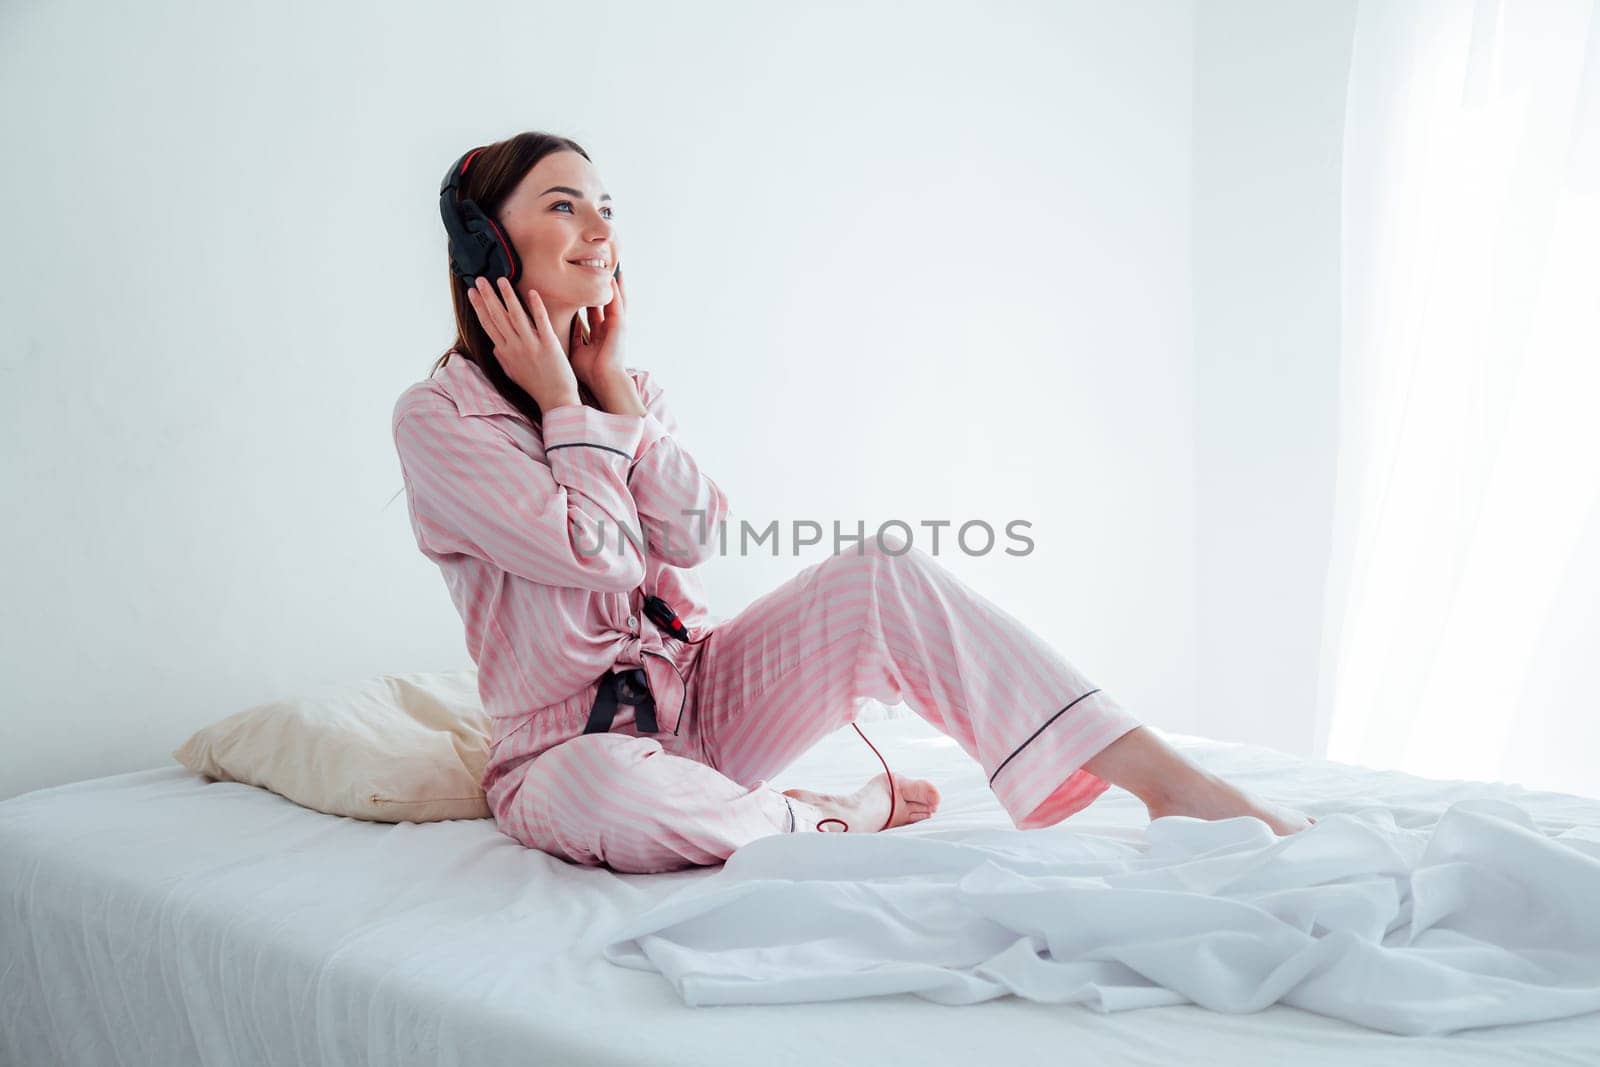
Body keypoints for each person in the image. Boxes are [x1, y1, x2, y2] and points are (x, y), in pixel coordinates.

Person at [391, 131, 1314, 874]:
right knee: (609, 794)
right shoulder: (441, 418)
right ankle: (830, 813)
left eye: (606, 206)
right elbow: (602, 555)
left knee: (879, 571)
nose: (600, 227)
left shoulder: (625, 386)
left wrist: (607, 397)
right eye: (564, 205)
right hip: (567, 757)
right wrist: (559, 403)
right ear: (488, 243)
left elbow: (694, 534)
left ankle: (1160, 776)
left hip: (703, 704)